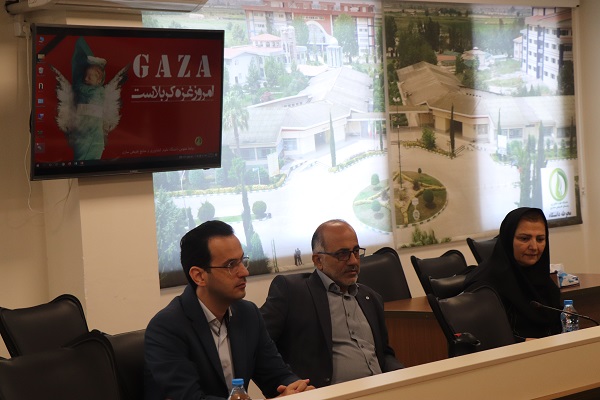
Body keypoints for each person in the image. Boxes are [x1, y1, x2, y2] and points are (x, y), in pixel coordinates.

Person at [144, 220, 314, 400]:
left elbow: (276, 375)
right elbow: (189, 397)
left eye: (242, 261)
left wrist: (296, 389)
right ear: (199, 276)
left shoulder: (248, 314)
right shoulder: (166, 327)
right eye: (231, 265)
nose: (244, 272)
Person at [260, 219, 404, 388]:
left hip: (380, 390)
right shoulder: (292, 292)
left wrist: (404, 376)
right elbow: (259, 345)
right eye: (342, 254)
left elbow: (384, 354)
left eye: (356, 252)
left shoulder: (371, 297)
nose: (353, 261)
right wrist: (288, 384)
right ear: (318, 261)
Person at [463, 207, 562, 341]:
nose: (534, 247)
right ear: (508, 239)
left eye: (540, 239)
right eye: (524, 238)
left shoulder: (541, 278)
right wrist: (521, 342)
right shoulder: (484, 285)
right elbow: (483, 337)